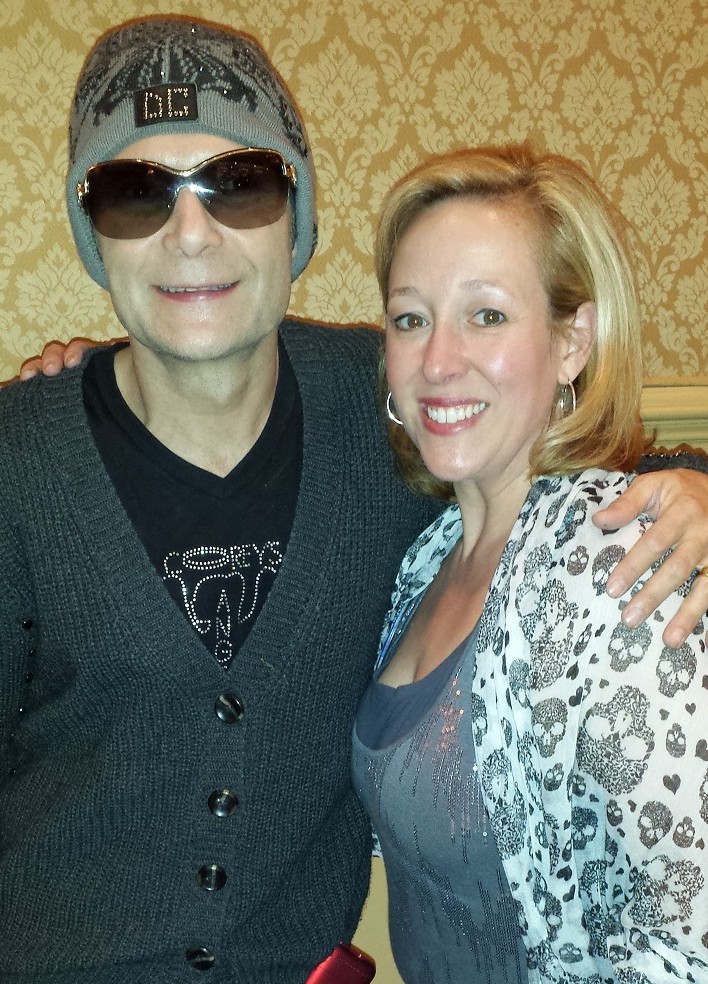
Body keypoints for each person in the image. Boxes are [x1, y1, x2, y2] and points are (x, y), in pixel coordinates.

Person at [2, 14, 707, 984]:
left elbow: (556, 437)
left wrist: (698, 487)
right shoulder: (19, 464)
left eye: (239, 184)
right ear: (94, 237)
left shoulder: (393, 407)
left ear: (295, 218)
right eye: (136, 194)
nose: (191, 234)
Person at [352, 144, 708, 984]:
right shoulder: (431, 555)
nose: (438, 361)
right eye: (410, 319)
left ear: (572, 340)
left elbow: (689, 938)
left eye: (486, 315)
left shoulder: (615, 566)